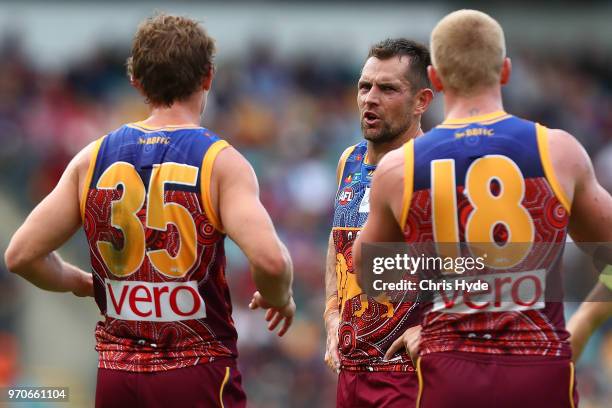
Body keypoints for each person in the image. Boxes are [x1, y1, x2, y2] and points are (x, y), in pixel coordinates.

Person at [4, 14, 295, 408]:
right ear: (208, 77)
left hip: (116, 377)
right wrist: (280, 297)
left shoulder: (91, 160)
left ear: (137, 83)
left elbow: (21, 256)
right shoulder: (220, 163)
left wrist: (78, 281)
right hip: (196, 371)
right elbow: (271, 263)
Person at [354, 9, 612, 408]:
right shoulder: (558, 152)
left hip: (450, 372)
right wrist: (584, 323)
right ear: (505, 71)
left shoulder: (399, 169)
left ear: (435, 80)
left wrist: (442, 302)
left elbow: (370, 273)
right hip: (541, 367)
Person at [324, 38, 433, 407]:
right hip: (351, 375)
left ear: (422, 101)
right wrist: (331, 313)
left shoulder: (433, 171)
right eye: (365, 86)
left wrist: (433, 329)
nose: (371, 98)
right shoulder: (349, 161)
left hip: (408, 378)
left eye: (388, 89)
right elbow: (338, 245)